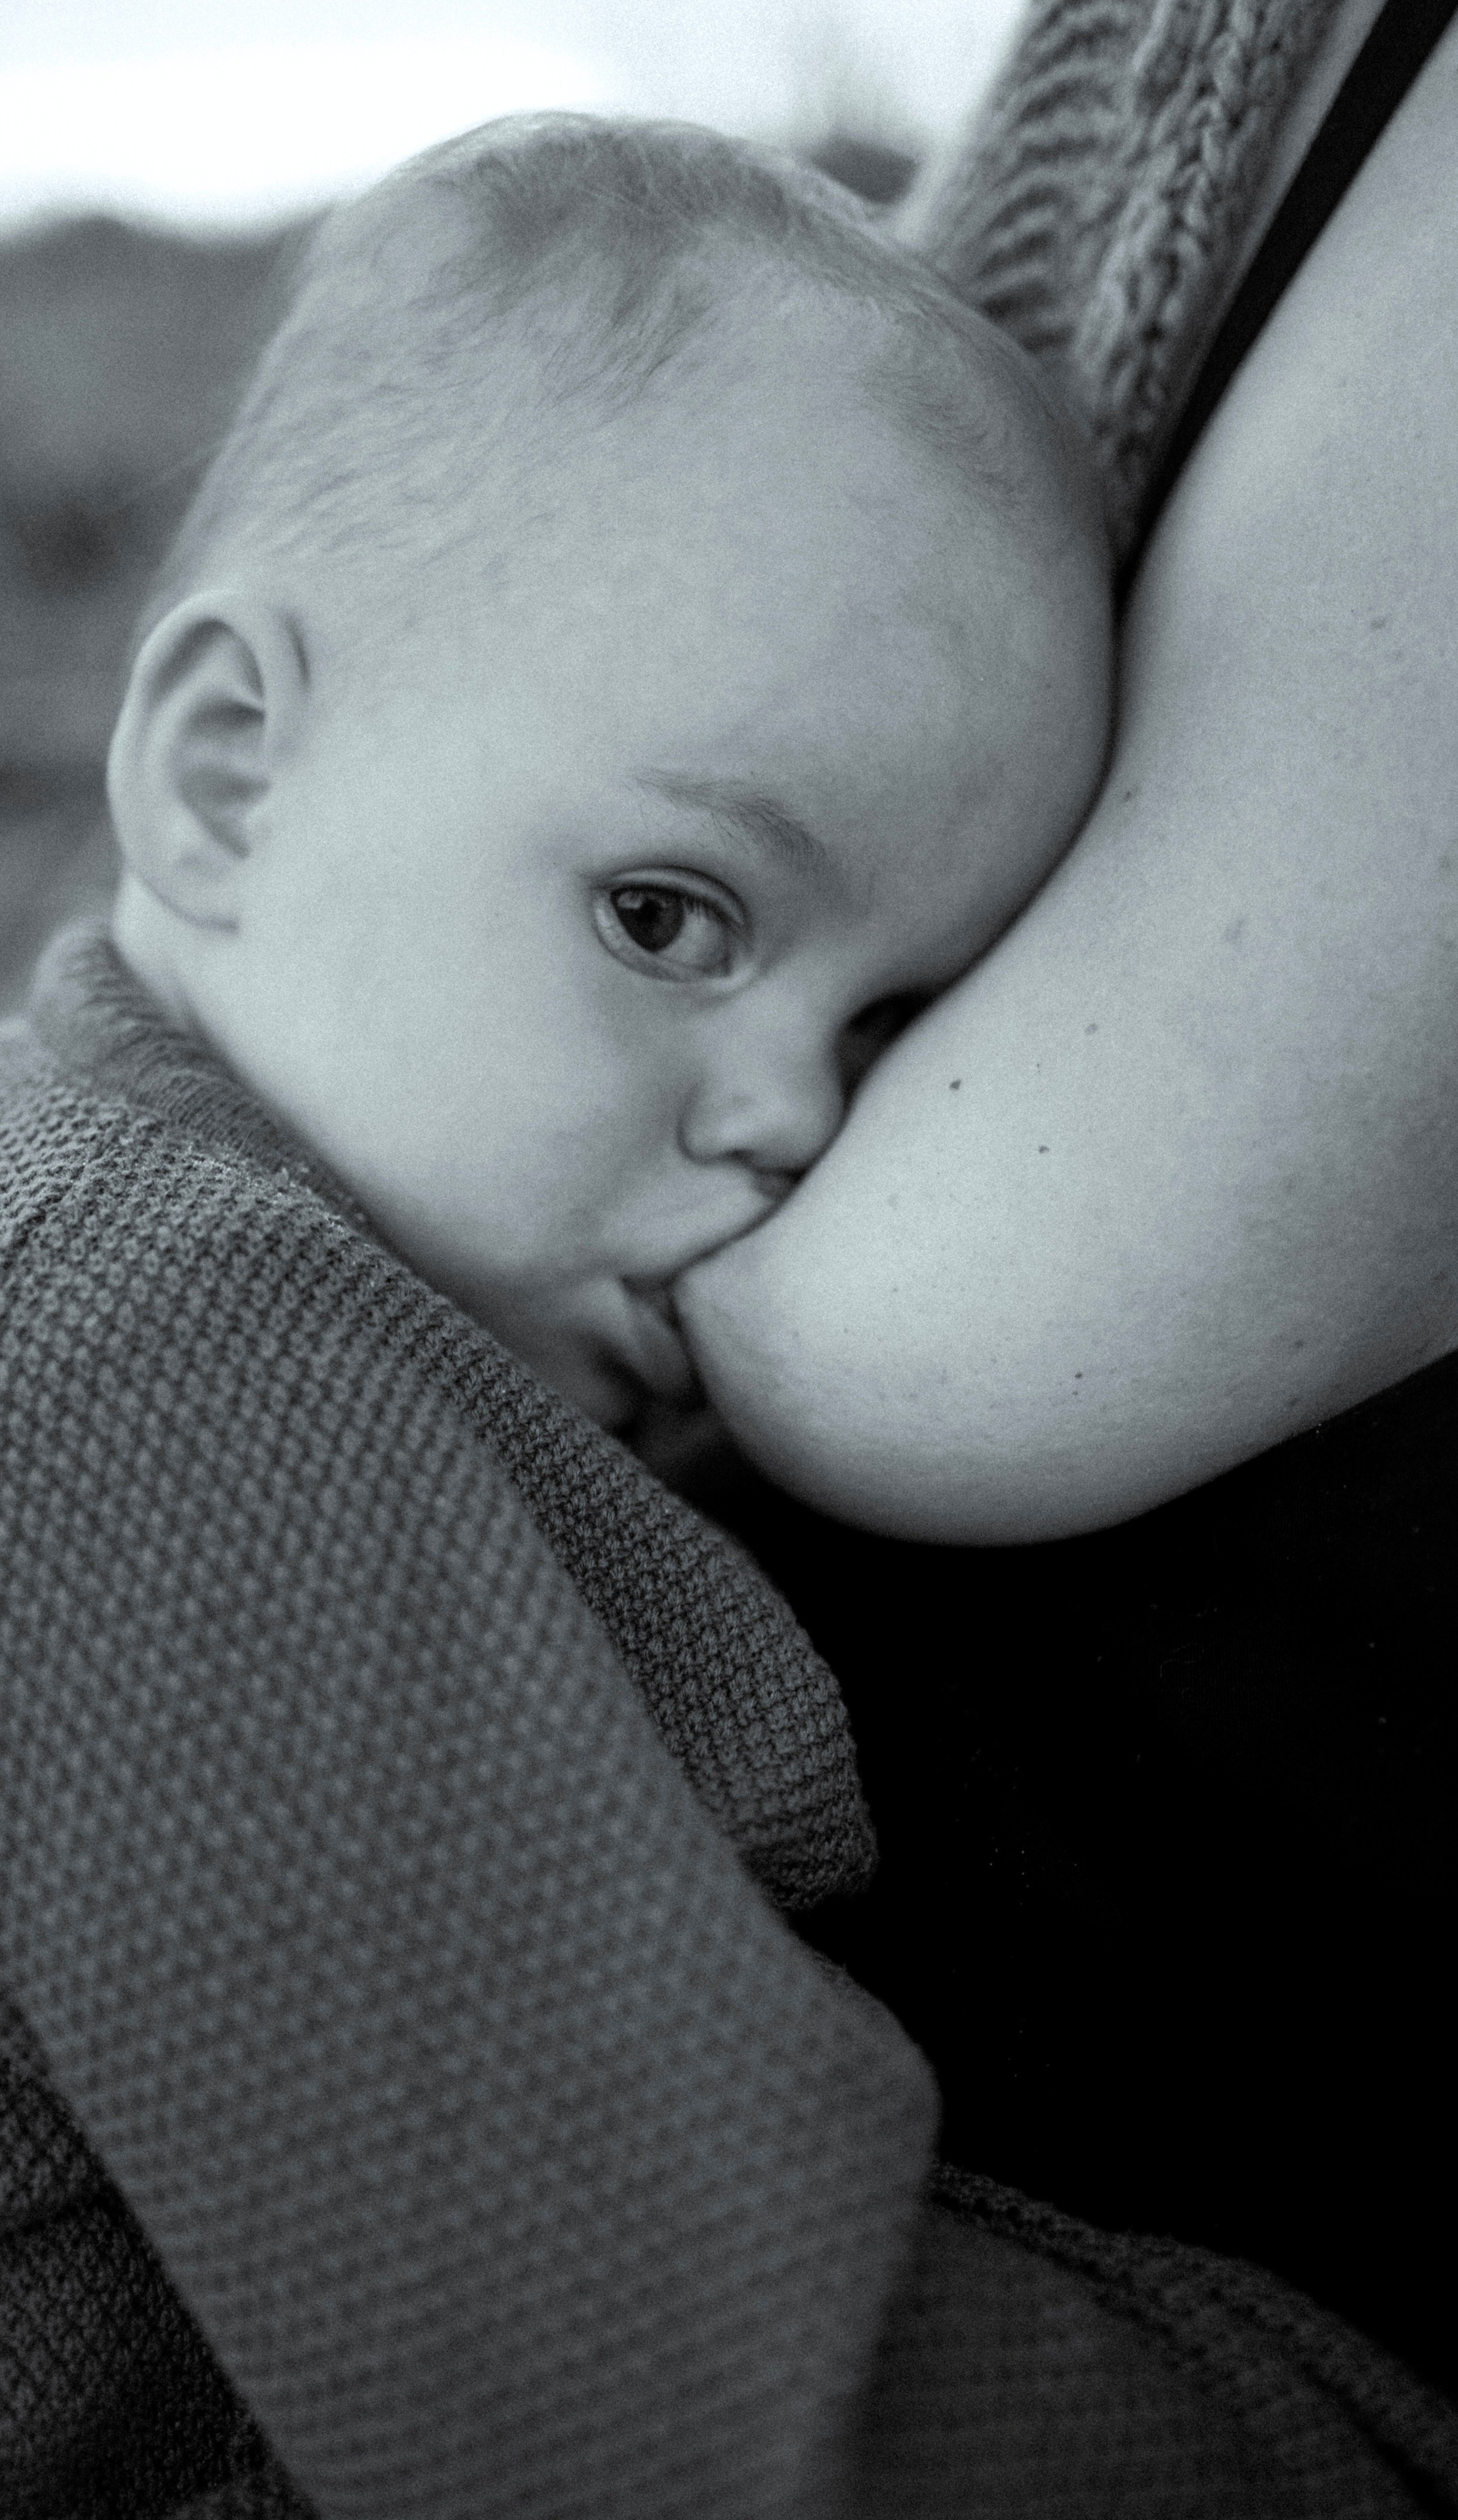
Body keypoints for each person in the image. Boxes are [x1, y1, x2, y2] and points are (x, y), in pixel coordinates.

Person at [0, 109, 1447, 2520]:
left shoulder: (166, 1245)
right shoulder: (161, 1397)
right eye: (674, 915)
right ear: (229, 773)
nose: (794, 1117)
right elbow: (698, 2450)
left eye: (901, 1030)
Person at [676, 0, 1458, 2407]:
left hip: (1182, 2273)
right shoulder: (1148, 86)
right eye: (664, 922)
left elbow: (946, 1326)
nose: (785, 1107)